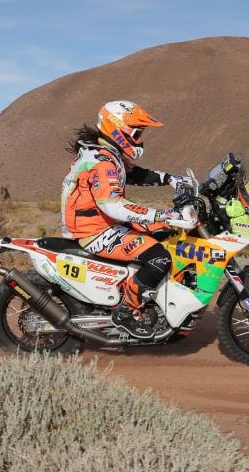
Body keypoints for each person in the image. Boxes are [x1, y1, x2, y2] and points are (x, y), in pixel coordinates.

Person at [61, 100, 185, 339]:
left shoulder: (105, 153)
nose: (140, 138)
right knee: (159, 257)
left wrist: (170, 179)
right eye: (137, 132)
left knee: (163, 231)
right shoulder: (102, 161)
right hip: (95, 230)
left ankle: (143, 292)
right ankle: (126, 312)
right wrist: (159, 214)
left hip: (99, 223)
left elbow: (133, 173)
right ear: (119, 128)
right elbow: (113, 206)